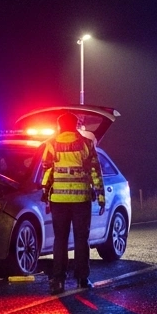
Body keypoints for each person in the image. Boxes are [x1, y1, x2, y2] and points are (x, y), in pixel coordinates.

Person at [41, 112, 105, 293]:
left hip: (59, 200)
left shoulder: (51, 144)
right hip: (80, 199)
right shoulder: (86, 143)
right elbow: (95, 170)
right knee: (81, 239)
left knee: (60, 239)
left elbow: (47, 170)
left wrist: (45, 193)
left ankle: (58, 280)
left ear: (60, 125)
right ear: (76, 125)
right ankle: (82, 279)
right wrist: (100, 196)